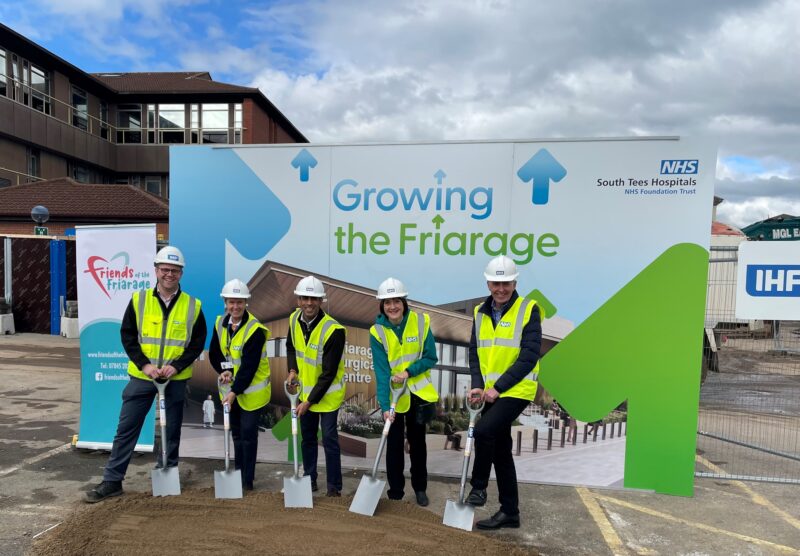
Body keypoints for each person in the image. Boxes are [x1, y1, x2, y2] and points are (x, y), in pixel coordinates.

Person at [85, 246, 207, 503]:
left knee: (171, 429)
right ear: (156, 270)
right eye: (165, 269)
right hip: (142, 378)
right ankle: (112, 481)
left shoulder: (193, 306)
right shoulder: (139, 300)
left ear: (181, 273)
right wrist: (145, 366)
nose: (169, 274)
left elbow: (197, 342)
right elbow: (128, 336)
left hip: (175, 379)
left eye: (174, 271)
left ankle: (168, 473)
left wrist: (177, 365)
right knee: (127, 428)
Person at [465, 255, 542, 530]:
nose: (501, 289)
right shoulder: (479, 312)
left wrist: (498, 388)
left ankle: (478, 487)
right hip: (487, 392)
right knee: (501, 450)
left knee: (484, 431)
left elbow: (529, 355)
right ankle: (510, 511)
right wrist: (477, 383)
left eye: (506, 283)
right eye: (496, 283)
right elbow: (475, 352)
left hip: (516, 389)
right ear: (488, 283)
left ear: (514, 282)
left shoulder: (528, 309)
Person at [369, 278, 438, 507]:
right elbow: (381, 372)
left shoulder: (421, 321)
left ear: (404, 301)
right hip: (394, 396)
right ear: (381, 305)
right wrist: (384, 406)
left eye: (396, 300)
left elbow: (430, 357)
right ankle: (396, 490)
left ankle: (420, 488)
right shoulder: (377, 331)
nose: (392, 307)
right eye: (387, 302)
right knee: (394, 443)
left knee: (418, 444)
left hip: (417, 394)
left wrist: (408, 372)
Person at [208, 279, 271, 491]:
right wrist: (223, 370)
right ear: (225, 302)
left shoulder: (255, 330)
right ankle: (237, 473)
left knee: (247, 434)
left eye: (240, 303)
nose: (235, 307)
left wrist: (234, 391)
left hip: (252, 392)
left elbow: (249, 367)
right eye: (231, 302)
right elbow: (215, 352)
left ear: (246, 303)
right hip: (231, 389)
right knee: (235, 433)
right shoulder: (220, 323)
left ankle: (247, 480)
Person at [286, 275, 346, 497]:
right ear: (298, 300)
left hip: (327, 396)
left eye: (313, 298)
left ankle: (334, 487)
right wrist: (292, 370)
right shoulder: (294, 320)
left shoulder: (334, 330)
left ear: (321, 300)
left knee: (329, 439)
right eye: (304, 298)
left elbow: (329, 373)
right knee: (308, 438)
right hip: (304, 393)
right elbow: (291, 346)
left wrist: (308, 402)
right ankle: (309, 479)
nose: (308, 303)